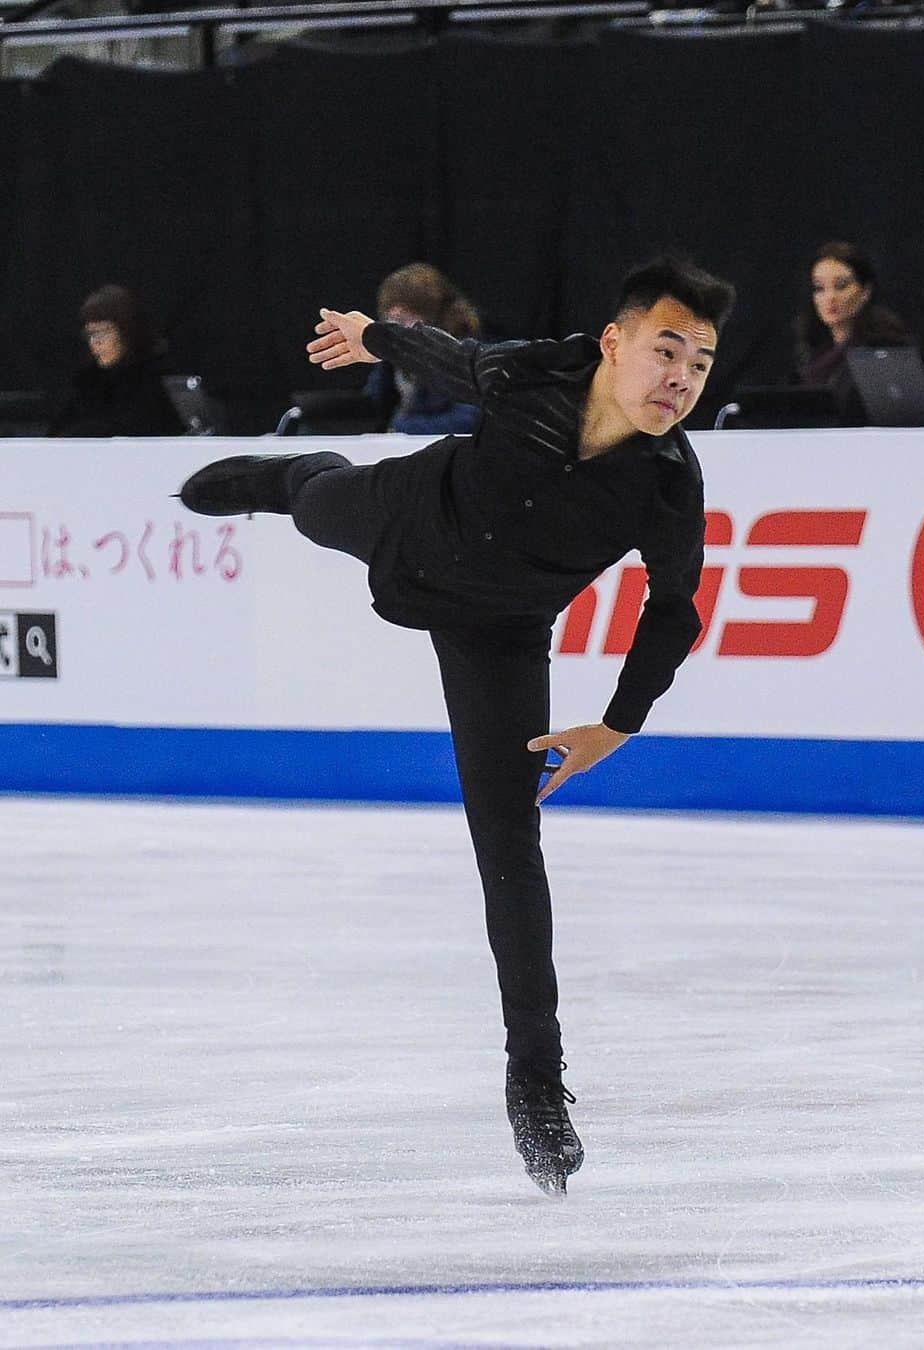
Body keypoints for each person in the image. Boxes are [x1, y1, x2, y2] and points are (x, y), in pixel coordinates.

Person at [178, 256, 735, 1195]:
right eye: (665, 349)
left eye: (702, 364)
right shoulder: (537, 374)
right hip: (409, 518)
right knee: (317, 504)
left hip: (500, 633)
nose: (680, 377)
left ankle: (536, 1080)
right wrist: (372, 336)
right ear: (615, 342)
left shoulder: (668, 485)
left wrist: (618, 722)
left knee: (510, 846)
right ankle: (293, 474)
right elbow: (454, 360)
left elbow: (673, 607)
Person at [794, 241, 914, 422]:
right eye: (819, 288)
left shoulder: (884, 350)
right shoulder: (810, 354)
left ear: (865, 292)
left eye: (841, 286)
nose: (830, 297)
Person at [361, 262, 483, 436]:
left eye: (403, 320)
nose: (395, 328)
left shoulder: (464, 352)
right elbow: (371, 401)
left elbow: (469, 418)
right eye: (390, 320)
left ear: (431, 318)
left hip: (442, 443)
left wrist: (402, 427)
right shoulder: (392, 346)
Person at [50, 284, 184, 438]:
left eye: (101, 333)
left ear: (126, 332)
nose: (94, 343)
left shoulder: (158, 380)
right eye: (90, 335)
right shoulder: (89, 383)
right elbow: (57, 435)